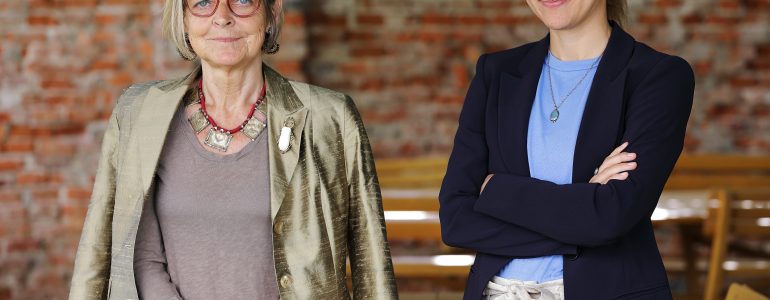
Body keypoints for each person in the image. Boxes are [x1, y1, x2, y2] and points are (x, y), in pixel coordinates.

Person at [69, 0, 397, 299]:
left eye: (242, 0)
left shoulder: (331, 118)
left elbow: (372, 268)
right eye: (202, 3)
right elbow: (110, 255)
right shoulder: (138, 113)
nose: (222, 17)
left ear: (272, 13)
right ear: (182, 18)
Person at [439, 0, 695, 299]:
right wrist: (584, 208)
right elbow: (456, 222)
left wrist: (497, 190)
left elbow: (612, 217)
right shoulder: (494, 73)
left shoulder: (658, 77)